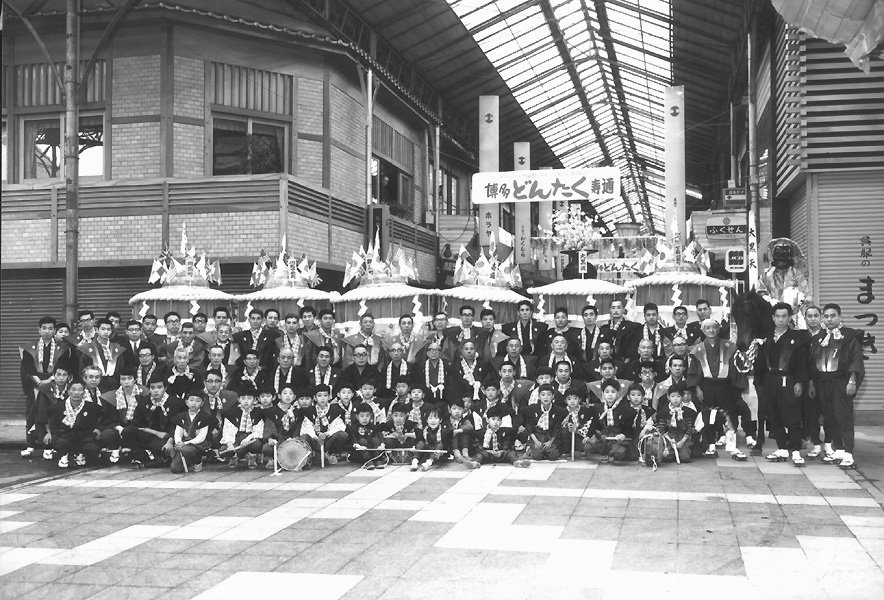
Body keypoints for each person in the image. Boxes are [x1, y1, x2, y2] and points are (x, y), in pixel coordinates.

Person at [688, 319, 754, 458]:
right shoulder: (697, 350)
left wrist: (736, 387)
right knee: (708, 415)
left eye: (714, 327)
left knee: (729, 414)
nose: (711, 330)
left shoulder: (729, 346)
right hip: (706, 386)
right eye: (707, 328)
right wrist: (697, 388)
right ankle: (711, 445)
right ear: (703, 330)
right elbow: (693, 371)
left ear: (718, 329)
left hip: (725, 386)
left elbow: (737, 367)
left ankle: (732, 446)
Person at [809, 303, 864, 469]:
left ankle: (848, 453)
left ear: (840, 317)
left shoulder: (849, 337)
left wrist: (852, 381)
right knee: (830, 417)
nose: (829, 319)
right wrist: (812, 383)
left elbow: (856, 359)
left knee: (844, 417)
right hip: (823, 383)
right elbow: (812, 362)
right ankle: (838, 449)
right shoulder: (819, 338)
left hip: (841, 382)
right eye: (826, 316)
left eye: (833, 316)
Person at [754, 302, 810, 466]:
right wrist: (759, 383)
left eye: (784, 316)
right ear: (773, 318)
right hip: (769, 379)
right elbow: (760, 363)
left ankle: (795, 450)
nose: (780, 320)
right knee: (773, 414)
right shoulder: (766, 338)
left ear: (789, 317)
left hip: (788, 379)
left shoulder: (797, 338)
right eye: (777, 316)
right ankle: (782, 448)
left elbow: (802, 363)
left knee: (792, 415)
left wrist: (799, 382)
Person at [20, 316, 70, 457]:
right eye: (44, 328)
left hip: (54, 384)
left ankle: (50, 445)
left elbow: (63, 367)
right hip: (36, 385)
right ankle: (30, 445)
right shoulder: (29, 348)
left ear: (54, 331)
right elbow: (27, 368)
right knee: (32, 414)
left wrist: (51, 380)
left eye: (50, 328)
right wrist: (40, 383)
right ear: (39, 330)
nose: (47, 331)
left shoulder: (62, 348)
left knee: (52, 415)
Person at [122, 375, 175, 468]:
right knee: (127, 431)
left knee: (164, 448)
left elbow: (177, 426)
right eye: (152, 388)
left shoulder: (175, 402)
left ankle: (156, 458)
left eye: (159, 387)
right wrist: (156, 433)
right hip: (149, 435)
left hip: (167, 437)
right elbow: (137, 424)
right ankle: (142, 455)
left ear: (165, 388)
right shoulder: (144, 401)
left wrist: (170, 441)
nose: (156, 391)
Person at [49, 381, 101, 468]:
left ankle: (80, 453)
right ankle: (64, 455)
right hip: (65, 435)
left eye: (80, 390)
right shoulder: (58, 407)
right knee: (61, 444)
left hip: (84, 437)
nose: (76, 393)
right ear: (69, 391)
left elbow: (97, 422)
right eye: (73, 390)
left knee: (92, 448)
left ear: (84, 392)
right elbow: (54, 425)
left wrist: (97, 429)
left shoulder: (92, 407)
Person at [97, 366, 141, 464]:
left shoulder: (143, 394)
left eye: (129, 378)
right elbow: (109, 418)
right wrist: (119, 427)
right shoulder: (112, 396)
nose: (126, 382)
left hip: (135, 428)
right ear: (119, 381)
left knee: (130, 432)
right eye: (123, 379)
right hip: (118, 428)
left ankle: (132, 450)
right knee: (107, 434)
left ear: (135, 379)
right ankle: (116, 448)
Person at [28, 363, 72, 460]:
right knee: (48, 439)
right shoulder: (45, 390)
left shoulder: (72, 390)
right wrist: (49, 432)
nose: (61, 378)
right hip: (47, 424)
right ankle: (48, 445)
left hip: (65, 424)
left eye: (64, 375)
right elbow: (42, 414)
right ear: (54, 376)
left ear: (69, 377)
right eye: (58, 375)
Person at [298, 384, 349, 465]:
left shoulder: (335, 410)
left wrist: (326, 434)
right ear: (315, 398)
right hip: (315, 440)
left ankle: (330, 453)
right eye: (319, 396)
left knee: (343, 434)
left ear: (329, 397)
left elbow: (339, 426)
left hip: (328, 439)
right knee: (304, 436)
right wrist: (316, 437)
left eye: (325, 395)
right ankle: (313, 454)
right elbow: (306, 427)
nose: (322, 398)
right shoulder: (309, 411)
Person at [585, 380, 635, 462]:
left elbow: (629, 427)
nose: (610, 394)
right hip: (604, 438)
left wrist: (623, 435)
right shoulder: (598, 408)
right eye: (607, 392)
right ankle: (605, 454)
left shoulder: (626, 409)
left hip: (619, 439)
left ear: (618, 393)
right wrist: (588, 436)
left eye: (613, 392)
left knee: (618, 454)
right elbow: (594, 424)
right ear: (603, 394)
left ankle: (611, 454)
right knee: (588, 448)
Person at [220, 383, 264, 469]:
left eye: (249, 398)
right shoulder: (232, 412)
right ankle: (234, 456)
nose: (246, 401)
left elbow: (258, 431)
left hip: (250, 438)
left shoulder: (258, 413)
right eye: (243, 398)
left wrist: (248, 439)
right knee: (223, 449)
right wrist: (230, 445)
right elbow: (228, 431)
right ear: (239, 399)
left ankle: (252, 456)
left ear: (255, 400)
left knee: (256, 444)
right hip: (236, 437)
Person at [170, 391, 212, 474]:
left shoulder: (205, 417)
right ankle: (188, 461)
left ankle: (197, 461)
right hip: (183, 444)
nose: (194, 403)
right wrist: (178, 443)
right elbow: (178, 432)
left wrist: (185, 443)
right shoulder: (181, 416)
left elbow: (201, 437)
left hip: (198, 444)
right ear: (186, 402)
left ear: (202, 403)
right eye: (191, 400)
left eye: (198, 401)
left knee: (186, 450)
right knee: (175, 469)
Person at [801, 304, 824, 456]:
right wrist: (808, 382)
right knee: (811, 413)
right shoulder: (802, 337)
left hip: (826, 380)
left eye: (816, 316)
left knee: (829, 412)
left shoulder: (828, 335)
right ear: (805, 318)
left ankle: (831, 444)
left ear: (820, 317)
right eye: (809, 316)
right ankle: (816, 442)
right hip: (808, 381)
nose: (813, 319)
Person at [77, 318, 124, 392]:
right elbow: (82, 369)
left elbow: (121, 368)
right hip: (94, 385)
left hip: (113, 386)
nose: (106, 332)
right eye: (103, 329)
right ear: (97, 330)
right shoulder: (88, 348)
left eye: (108, 329)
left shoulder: (116, 348)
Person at [655, 383, 696, 464]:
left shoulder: (687, 411)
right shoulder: (664, 411)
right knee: (667, 458)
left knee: (685, 458)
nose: (675, 399)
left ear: (682, 397)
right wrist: (670, 440)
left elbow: (689, 428)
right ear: (668, 397)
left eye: (678, 396)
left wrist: (682, 441)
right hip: (669, 437)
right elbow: (661, 429)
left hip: (682, 436)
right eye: (673, 396)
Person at [524, 383, 566, 461]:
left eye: (548, 394)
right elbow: (529, 427)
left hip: (550, 436)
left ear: (553, 396)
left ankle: (546, 451)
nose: (546, 397)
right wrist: (536, 441)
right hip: (537, 436)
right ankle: (531, 449)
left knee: (553, 456)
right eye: (543, 395)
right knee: (537, 456)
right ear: (539, 397)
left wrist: (550, 441)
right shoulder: (533, 409)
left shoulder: (557, 410)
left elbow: (557, 428)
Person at [347, 403, 385, 469]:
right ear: (357, 416)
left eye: (367, 416)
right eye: (362, 416)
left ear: (371, 416)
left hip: (372, 451)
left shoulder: (373, 427)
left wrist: (382, 445)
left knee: (375, 439)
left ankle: (377, 459)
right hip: (359, 452)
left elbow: (380, 436)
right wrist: (359, 446)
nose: (365, 418)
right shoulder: (353, 428)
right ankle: (367, 461)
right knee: (363, 441)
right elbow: (353, 440)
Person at [559, 387, 593, 459]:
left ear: (579, 400)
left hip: (580, 434)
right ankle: (567, 451)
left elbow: (589, 424)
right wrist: (567, 424)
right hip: (568, 436)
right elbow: (559, 424)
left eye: (575, 398)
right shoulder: (562, 412)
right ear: (565, 401)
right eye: (569, 399)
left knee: (585, 448)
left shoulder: (585, 411)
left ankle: (580, 448)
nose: (572, 401)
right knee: (564, 430)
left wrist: (578, 429)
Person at [624, 383, 656, 460]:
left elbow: (650, 423)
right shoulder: (624, 409)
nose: (636, 397)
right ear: (628, 397)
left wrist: (644, 430)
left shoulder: (648, 410)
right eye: (633, 395)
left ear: (643, 397)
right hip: (628, 436)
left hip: (642, 436)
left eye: (639, 395)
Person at [416, 340, 449, 410]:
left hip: (443, 400)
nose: (434, 352)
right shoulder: (420, 367)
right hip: (426, 400)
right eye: (431, 350)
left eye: (437, 350)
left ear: (440, 353)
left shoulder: (447, 366)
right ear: (427, 353)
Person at [445, 397, 475, 465]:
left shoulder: (464, 420)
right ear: (449, 410)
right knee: (453, 432)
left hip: (462, 443)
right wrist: (453, 431)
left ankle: (465, 453)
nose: (457, 411)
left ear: (463, 410)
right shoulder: (447, 420)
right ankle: (457, 454)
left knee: (465, 434)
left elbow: (470, 426)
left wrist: (459, 430)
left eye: (460, 409)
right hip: (450, 444)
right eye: (454, 409)